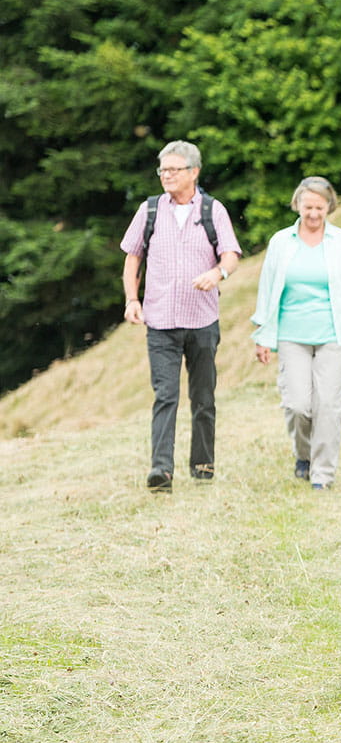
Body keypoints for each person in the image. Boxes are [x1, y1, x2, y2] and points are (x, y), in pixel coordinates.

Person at [120, 139, 242, 491]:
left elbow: (231, 253)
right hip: (159, 322)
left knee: (203, 398)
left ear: (194, 172)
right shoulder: (150, 210)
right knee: (165, 396)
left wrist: (218, 274)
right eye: (163, 170)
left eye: (174, 170)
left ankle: (203, 467)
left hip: (202, 321)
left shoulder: (212, 210)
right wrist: (131, 299)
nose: (167, 176)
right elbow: (132, 257)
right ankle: (161, 471)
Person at [250, 177, 341, 490]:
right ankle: (303, 455)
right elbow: (267, 288)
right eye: (308, 207)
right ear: (298, 205)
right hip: (291, 334)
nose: (314, 213)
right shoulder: (281, 241)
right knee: (297, 405)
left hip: (334, 333)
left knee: (328, 405)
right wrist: (262, 335)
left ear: (329, 207)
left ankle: (323, 475)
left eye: (319, 207)